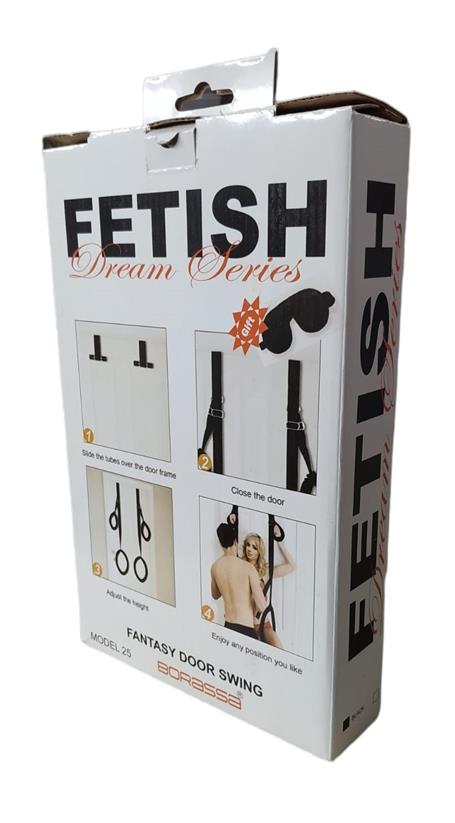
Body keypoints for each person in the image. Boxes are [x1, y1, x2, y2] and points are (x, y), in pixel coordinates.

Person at [211, 522, 267, 639]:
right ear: (235, 542)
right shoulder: (248, 568)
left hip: (228, 626)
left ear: (221, 544)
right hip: (246, 629)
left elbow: (215, 595)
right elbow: (261, 607)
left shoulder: (215, 566)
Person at [242, 525, 295, 649]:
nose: (249, 549)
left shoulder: (264, 571)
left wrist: (280, 543)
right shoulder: (240, 567)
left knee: (279, 649)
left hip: (263, 622)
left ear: (259, 551)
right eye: (248, 545)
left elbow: (291, 566)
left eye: (254, 547)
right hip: (244, 623)